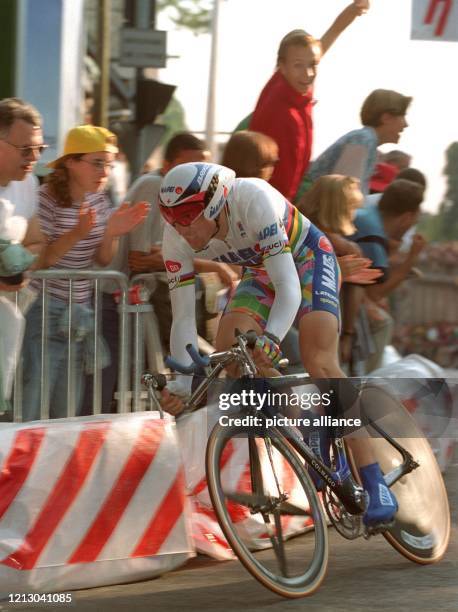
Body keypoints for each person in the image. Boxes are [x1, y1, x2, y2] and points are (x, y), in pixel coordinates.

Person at [158, 161, 398, 528]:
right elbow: (184, 319)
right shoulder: (175, 236)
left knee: (321, 362)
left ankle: (374, 478)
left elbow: (288, 286)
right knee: (231, 354)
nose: (180, 228)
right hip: (259, 274)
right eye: (171, 218)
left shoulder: (251, 199)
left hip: (306, 260)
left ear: (215, 202)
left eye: (188, 216)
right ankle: (308, 425)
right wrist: (180, 382)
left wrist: (271, 339)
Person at [21, 125, 148, 420]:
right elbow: (43, 259)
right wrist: (79, 233)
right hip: (45, 311)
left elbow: (103, 260)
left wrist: (112, 232)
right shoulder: (47, 198)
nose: (104, 171)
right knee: (33, 402)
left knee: (69, 406)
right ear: (71, 162)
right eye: (97, 162)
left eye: (108, 164)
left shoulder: (99, 200)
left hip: (80, 312)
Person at [245, 1, 370, 202]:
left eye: (313, 65)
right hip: (269, 205)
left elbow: (323, 44)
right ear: (281, 66)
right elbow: (281, 187)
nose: (308, 74)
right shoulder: (284, 114)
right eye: (298, 65)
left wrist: (352, 12)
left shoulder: (291, 83)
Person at [349, 178, 427, 372]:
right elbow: (376, 293)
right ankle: (365, 387)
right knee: (382, 322)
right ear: (407, 217)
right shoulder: (373, 232)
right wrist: (411, 258)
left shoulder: (369, 217)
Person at [0, 97, 46, 413]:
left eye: (39, 149)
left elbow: (37, 242)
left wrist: (19, 264)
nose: (33, 158)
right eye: (25, 149)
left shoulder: (27, 184)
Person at [306, 89, 412, 197]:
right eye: (403, 116)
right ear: (386, 118)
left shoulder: (366, 141)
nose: (406, 124)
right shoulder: (362, 141)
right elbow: (343, 196)